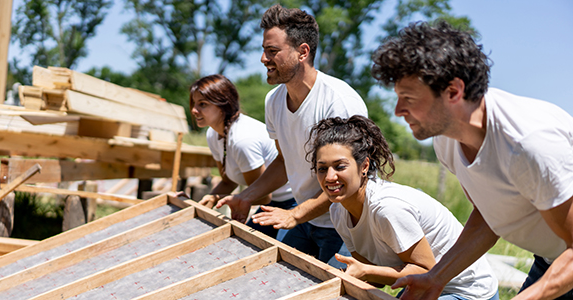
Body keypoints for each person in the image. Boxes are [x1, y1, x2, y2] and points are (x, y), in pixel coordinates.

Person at [370, 20, 573, 300]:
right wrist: (435, 278)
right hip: (554, 260)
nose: (397, 110)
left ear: (454, 91)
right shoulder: (446, 138)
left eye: (408, 98)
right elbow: (490, 215)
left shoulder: (528, 144)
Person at [216, 4, 368, 267]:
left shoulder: (338, 102)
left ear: (302, 52)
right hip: (303, 218)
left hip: (346, 224)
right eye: (264, 50)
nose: (264, 59)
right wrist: (246, 196)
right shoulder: (273, 101)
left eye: (272, 51)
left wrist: (296, 214)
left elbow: (350, 180)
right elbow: (284, 161)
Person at [307, 115, 498, 300]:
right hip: (422, 287)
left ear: (364, 166)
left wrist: (366, 271)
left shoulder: (387, 208)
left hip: (466, 290)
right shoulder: (338, 211)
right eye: (322, 168)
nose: (330, 177)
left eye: (340, 166)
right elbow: (374, 277)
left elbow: (427, 271)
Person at [189, 74, 296, 239]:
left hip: (291, 203)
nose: (194, 110)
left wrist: (220, 199)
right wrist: (208, 200)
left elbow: (262, 195)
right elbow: (228, 181)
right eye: (194, 104)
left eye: (202, 104)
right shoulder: (213, 134)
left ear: (223, 104)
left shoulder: (242, 140)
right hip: (270, 203)